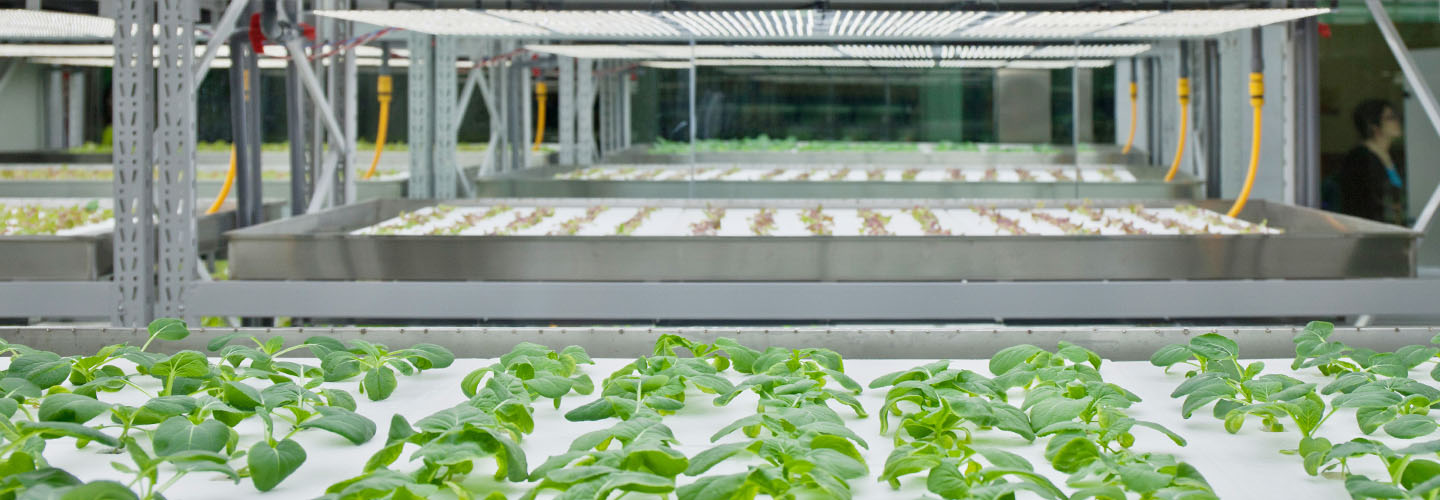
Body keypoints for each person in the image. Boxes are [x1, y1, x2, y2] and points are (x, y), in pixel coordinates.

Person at [1338, 99, 1407, 225]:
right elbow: (1357, 203)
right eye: (1390, 117)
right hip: (1373, 232)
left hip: (1397, 229)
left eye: (1396, 116)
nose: (1397, 121)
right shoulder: (1359, 158)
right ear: (1373, 125)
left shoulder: (1395, 156)